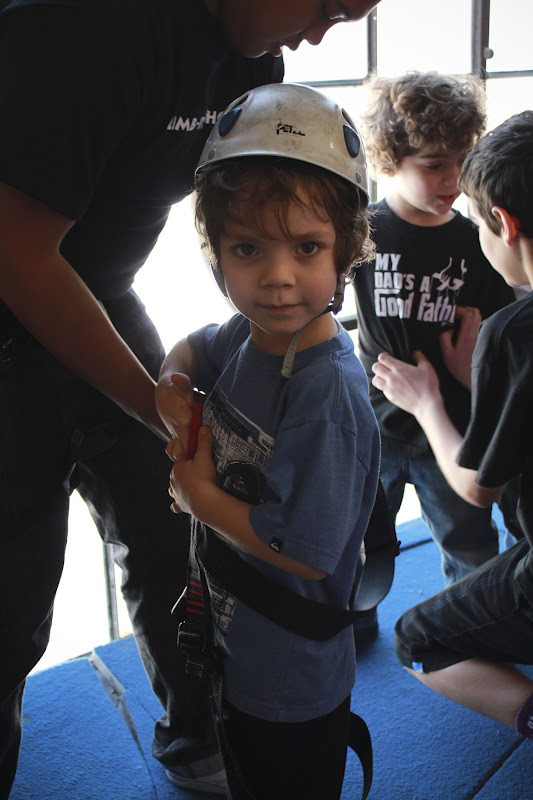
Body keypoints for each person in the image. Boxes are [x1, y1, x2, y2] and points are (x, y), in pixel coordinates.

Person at [0, 0, 381, 796]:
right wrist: (159, 400)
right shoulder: (85, 28)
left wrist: (174, 426)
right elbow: (17, 249)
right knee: (15, 600)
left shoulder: (254, 58)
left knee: (171, 537)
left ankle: (199, 731)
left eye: (349, 15)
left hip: (102, 296)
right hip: (14, 313)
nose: (321, 31)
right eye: (325, 3)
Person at [156, 83, 381, 800]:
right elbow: (198, 345)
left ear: (344, 251)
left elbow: (307, 552)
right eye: (248, 248)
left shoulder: (323, 393)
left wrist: (198, 496)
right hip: (241, 640)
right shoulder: (253, 335)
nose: (278, 278)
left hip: (291, 674)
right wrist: (171, 377)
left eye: (306, 247)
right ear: (217, 254)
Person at [371, 110, 533, 743]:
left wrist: (428, 401)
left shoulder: (512, 333)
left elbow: (477, 489)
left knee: (418, 638)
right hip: (390, 430)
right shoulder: (370, 231)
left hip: (440, 429)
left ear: (504, 224)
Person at [352, 72, 516, 622]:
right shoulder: (363, 232)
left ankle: (473, 633)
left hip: (451, 426)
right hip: (375, 423)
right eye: (433, 164)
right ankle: (350, 629)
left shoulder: (475, 239)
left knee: (468, 546)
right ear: (389, 160)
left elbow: (503, 327)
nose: (453, 179)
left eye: (463, 161)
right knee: (357, 544)